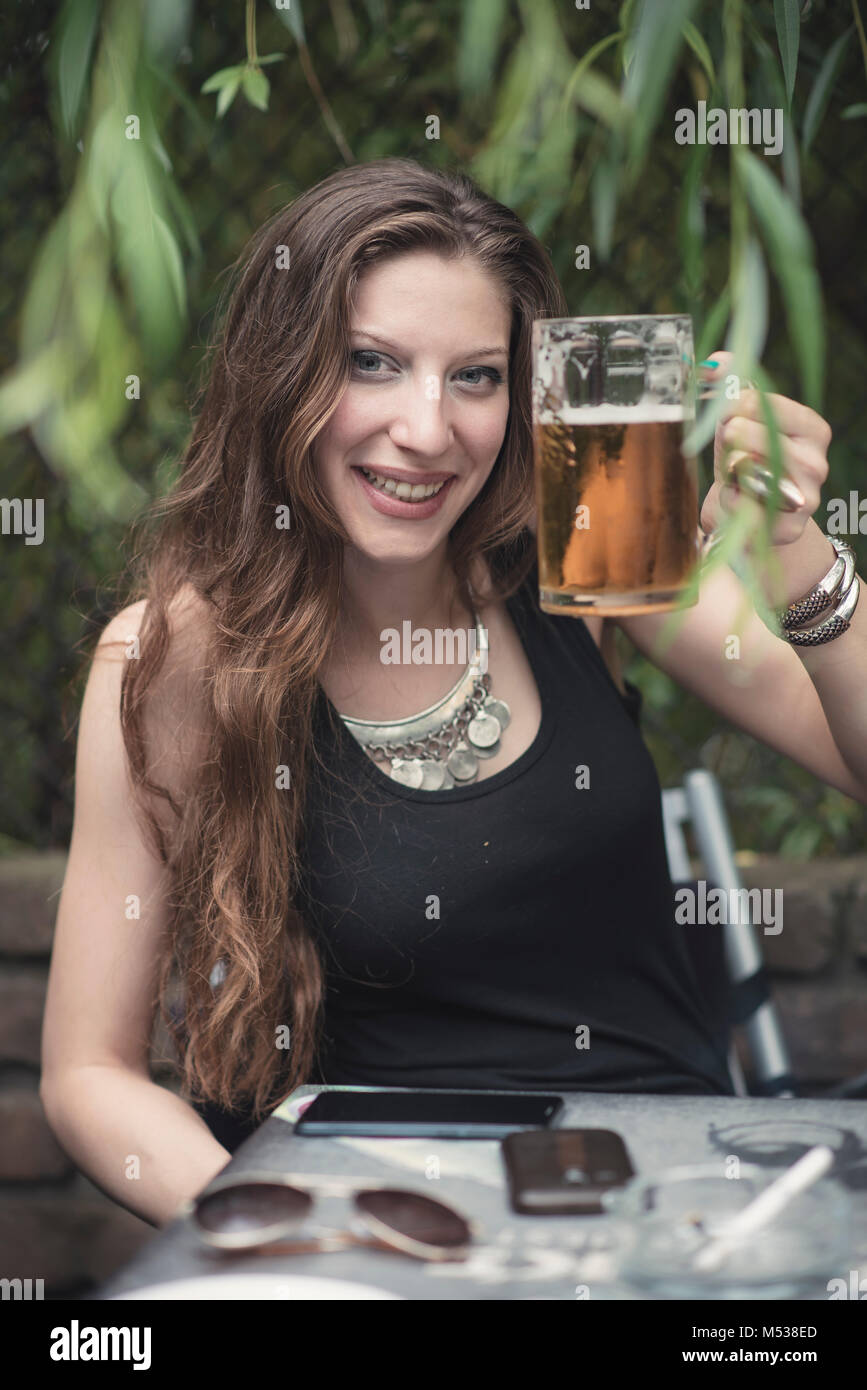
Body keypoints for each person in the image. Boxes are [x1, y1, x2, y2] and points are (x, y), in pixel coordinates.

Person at [40, 158, 867, 1228]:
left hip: (657, 1203)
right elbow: (86, 1077)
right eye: (371, 363)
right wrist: (287, 1235)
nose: (428, 430)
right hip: (381, 1215)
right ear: (280, 373)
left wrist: (805, 567)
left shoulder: (589, 556)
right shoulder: (173, 662)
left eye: (476, 376)